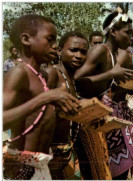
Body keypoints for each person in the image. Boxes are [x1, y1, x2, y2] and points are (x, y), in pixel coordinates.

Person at [75, 5, 133, 180]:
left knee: (116, 170)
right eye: (127, 33)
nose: (131, 38)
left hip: (106, 115)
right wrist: (112, 74)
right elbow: (78, 79)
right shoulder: (100, 50)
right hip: (92, 117)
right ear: (114, 32)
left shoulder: (116, 53)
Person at [3, 14, 80, 180]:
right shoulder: (18, 73)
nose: (55, 47)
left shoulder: (42, 75)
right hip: (22, 168)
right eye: (50, 40)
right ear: (26, 39)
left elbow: (38, 116)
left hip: (41, 165)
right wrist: (44, 98)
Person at [45, 31, 89, 179]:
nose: (79, 55)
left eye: (83, 52)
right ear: (59, 50)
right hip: (50, 154)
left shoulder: (71, 78)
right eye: (73, 50)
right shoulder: (52, 74)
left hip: (67, 151)